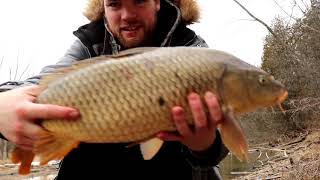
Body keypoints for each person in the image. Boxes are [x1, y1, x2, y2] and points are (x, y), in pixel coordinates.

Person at [0, 0, 229, 179]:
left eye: (139, 1)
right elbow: (38, 84)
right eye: (114, 4)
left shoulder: (194, 51)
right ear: (103, 6)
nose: (127, 15)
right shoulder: (90, 43)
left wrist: (204, 146)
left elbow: (218, 150)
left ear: (157, 2)